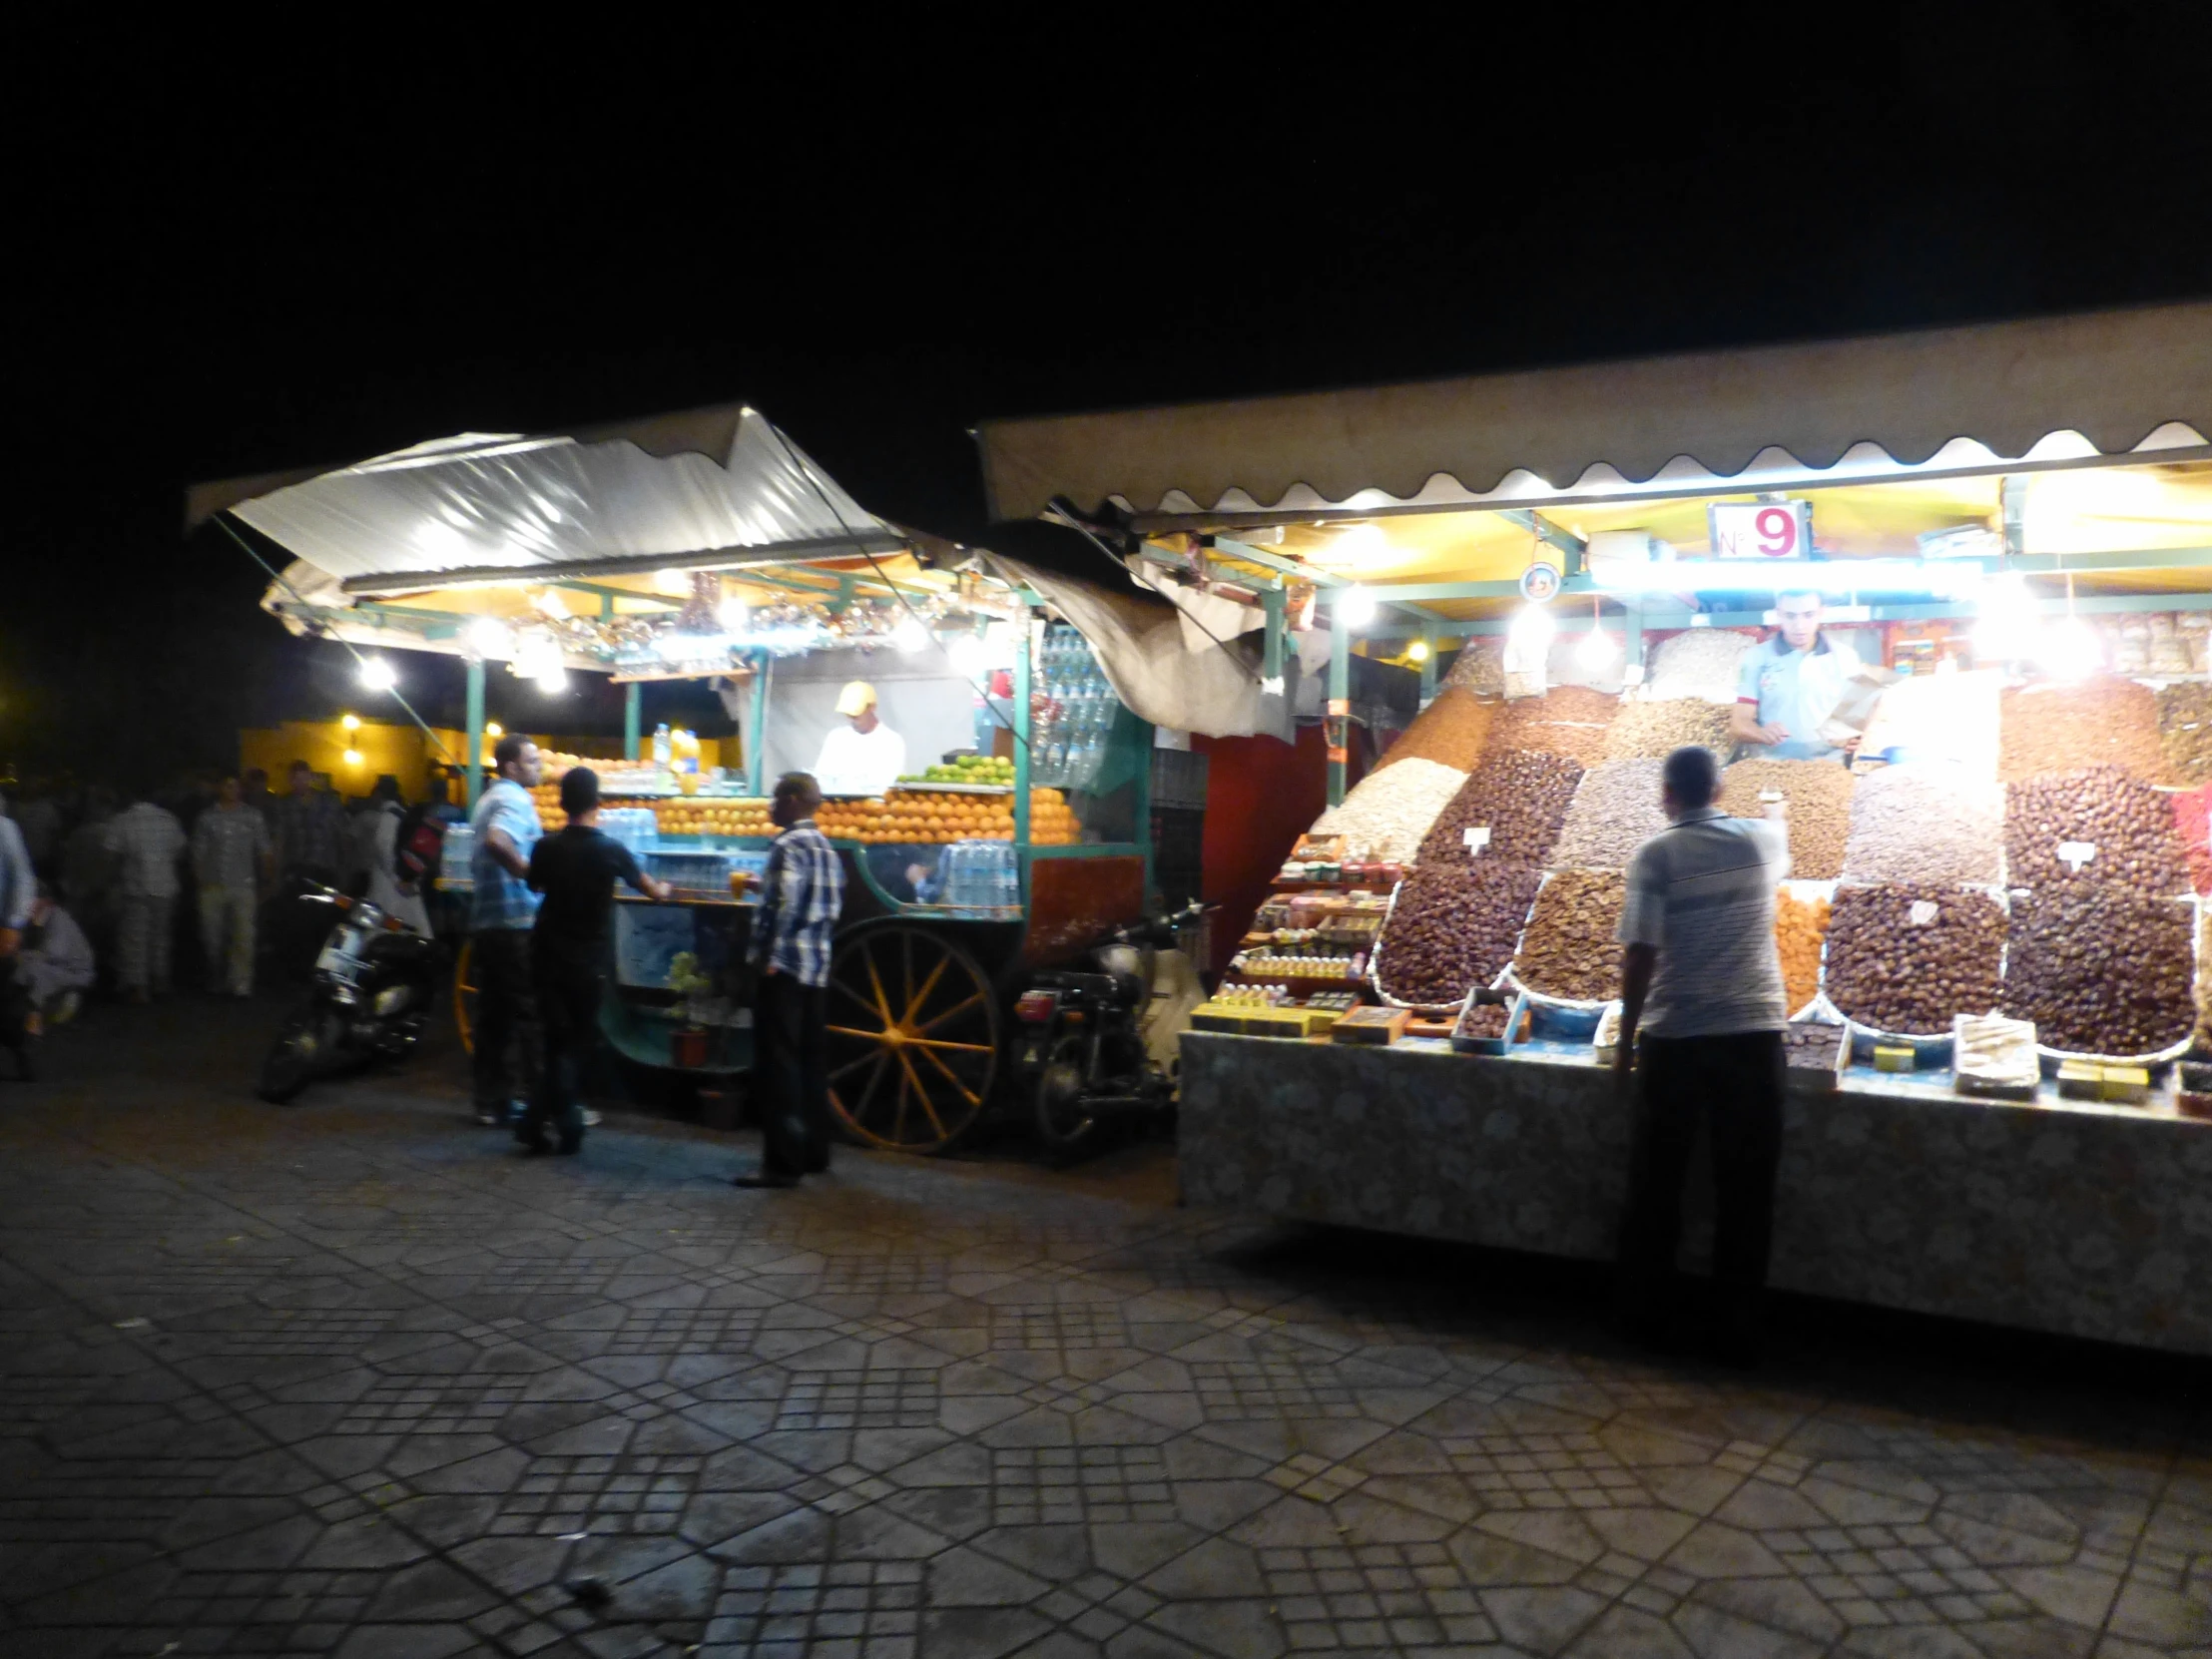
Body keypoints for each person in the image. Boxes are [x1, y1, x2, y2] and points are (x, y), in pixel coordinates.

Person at [1613, 745, 1793, 1365]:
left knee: (1657, 1185)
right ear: (1718, 790)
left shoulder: (1654, 854)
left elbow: (1639, 955)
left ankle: (1646, 1318)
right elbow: (1783, 849)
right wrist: (1768, 811)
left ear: (1666, 794)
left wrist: (1624, 1046)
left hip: (1676, 1038)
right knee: (1745, 1188)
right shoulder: (1759, 843)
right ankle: (1736, 1327)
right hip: (1753, 1033)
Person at [521, 767, 672, 1154]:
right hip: (586, 960)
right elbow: (652, 891)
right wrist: (665, 887)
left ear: (562, 802)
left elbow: (535, 884)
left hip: (545, 953)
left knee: (556, 1039)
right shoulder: (610, 850)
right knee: (574, 1042)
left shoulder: (545, 846)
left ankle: (536, 1120)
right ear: (597, 803)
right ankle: (565, 1123)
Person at [736, 771, 845, 1189]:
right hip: (816, 968)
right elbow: (820, 902)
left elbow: (785, 904)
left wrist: (771, 957)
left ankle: (781, 1164)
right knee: (810, 1062)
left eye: (777, 798)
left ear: (796, 801)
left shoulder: (787, 845)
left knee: (778, 1065)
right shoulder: (824, 846)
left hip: (784, 970)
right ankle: (814, 1152)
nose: (771, 806)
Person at [469, 735, 546, 1128]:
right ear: (512, 767)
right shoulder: (514, 799)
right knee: (528, 1013)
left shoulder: (486, 798)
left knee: (493, 1016)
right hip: (515, 923)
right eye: (532, 761)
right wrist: (529, 874)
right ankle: (538, 1104)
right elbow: (497, 841)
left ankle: (490, 1102)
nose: (539, 767)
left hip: (487, 923)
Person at [1730, 589, 1860, 761]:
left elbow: (1859, 718)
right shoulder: (1757, 657)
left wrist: (1855, 738)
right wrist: (1761, 733)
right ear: (1778, 614)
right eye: (1790, 616)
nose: (1799, 626)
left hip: (1830, 766)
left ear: (1821, 612)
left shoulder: (1845, 657)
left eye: (1808, 615)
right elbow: (1739, 724)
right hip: (1772, 767)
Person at [191, 775, 274, 998]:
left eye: (236, 786)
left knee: (243, 936)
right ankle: (216, 976)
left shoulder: (252, 817)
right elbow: (198, 852)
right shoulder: (207, 818)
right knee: (212, 937)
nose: (232, 789)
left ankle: (241, 984)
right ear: (220, 788)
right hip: (213, 886)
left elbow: (264, 848)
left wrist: (266, 879)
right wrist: (200, 882)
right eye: (228, 785)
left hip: (243, 885)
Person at [104, 787, 188, 1002]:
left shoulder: (122, 820)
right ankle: (160, 980)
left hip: (136, 887)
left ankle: (139, 987)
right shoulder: (169, 819)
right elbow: (180, 851)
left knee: (135, 938)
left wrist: (112, 881)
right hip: (166, 886)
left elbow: (111, 855)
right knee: (161, 936)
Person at [359, 776, 431, 935]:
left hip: (388, 887)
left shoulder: (388, 817)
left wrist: (396, 879)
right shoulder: (403, 814)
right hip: (406, 884)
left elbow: (383, 848)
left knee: (382, 930)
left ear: (379, 794)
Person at [17, 887, 95, 1035]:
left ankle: (35, 1018)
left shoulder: (57, 918)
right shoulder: (40, 921)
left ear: (45, 901)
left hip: (74, 972)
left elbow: (53, 953)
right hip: (60, 968)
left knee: (32, 969)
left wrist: (23, 955)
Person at [812, 682, 907, 796]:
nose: (852, 718)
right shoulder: (836, 738)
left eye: (856, 713)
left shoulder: (892, 741)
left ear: (872, 707)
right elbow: (821, 778)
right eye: (848, 714)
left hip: (875, 809)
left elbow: (890, 786)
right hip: (835, 809)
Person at [0, 812, 34, 1079]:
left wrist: (13, 923)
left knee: (5, 999)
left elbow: (22, 877)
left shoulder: (4, 828)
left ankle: (20, 1051)